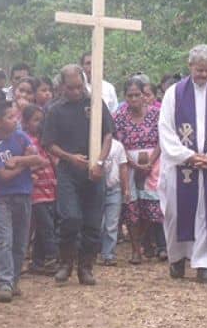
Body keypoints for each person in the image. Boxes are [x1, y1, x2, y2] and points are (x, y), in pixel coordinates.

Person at [158, 44, 207, 284]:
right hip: (181, 166)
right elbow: (166, 128)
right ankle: (177, 258)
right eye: (199, 70)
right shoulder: (174, 93)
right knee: (175, 212)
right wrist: (186, 155)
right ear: (190, 66)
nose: (204, 75)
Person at [43, 64, 114, 286]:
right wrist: (70, 157)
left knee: (93, 222)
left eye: (79, 86)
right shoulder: (55, 110)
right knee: (70, 218)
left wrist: (99, 162)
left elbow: (108, 135)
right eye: (71, 87)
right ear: (62, 86)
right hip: (69, 171)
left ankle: (86, 267)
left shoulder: (95, 104)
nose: (76, 91)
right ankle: (65, 262)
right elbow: (49, 144)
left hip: (94, 172)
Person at [0, 102, 47, 302]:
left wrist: (18, 161)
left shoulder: (21, 137)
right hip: (2, 198)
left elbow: (38, 159)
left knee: (21, 241)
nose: (15, 120)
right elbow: (3, 175)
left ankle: (14, 280)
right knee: (5, 238)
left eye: (15, 117)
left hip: (23, 194)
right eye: (10, 117)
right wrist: (25, 165)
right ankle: (3, 282)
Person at [114, 77, 163, 264]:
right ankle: (136, 249)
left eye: (138, 95)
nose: (134, 99)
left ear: (144, 95)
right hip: (127, 164)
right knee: (131, 205)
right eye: (130, 95)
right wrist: (134, 164)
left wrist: (150, 161)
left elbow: (162, 139)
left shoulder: (156, 114)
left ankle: (148, 242)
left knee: (151, 205)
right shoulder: (118, 116)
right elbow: (118, 143)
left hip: (154, 163)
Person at [23, 104, 58, 274]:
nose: (39, 123)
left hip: (50, 187)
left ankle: (37, 262)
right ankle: (52, 258)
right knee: (46, 226)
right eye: (35, 120)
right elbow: (23, 164)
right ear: (25, 122)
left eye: (41, 120)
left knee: (44, 227)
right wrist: (34, 166)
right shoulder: (24, 141)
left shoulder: (46, 141)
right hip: (36, 190)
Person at [100, 137, 129, 266]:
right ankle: (94, 251)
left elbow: (123, 167)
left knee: (111, 224)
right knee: (99, 223)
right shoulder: (93, 142)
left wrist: (126, 188)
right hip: (97, 188)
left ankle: (108, 254)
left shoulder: (118, 146)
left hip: (114, 188)